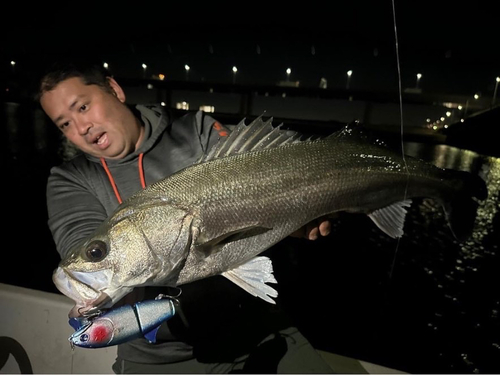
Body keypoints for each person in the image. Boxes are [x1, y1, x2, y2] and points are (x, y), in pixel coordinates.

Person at [36, 60, 333, 373]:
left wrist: (298, 217)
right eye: (64, 124)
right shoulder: (71, 179)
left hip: (259, 328)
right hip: (163, 358)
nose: (80, 128)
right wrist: (105, 283)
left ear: (115, 90)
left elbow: (262, 183)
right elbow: (80, 238)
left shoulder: (196, 132)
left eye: (82, 107)